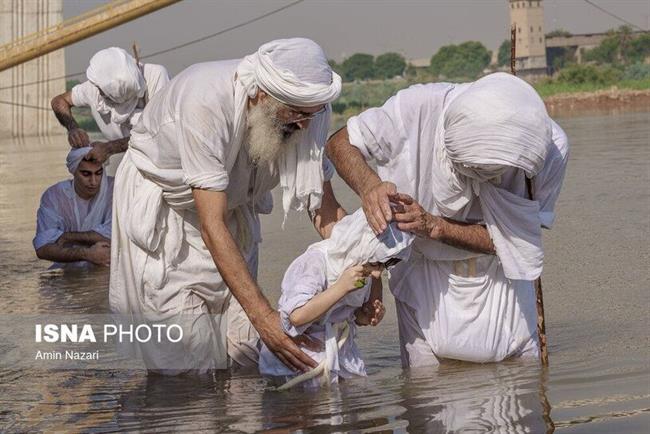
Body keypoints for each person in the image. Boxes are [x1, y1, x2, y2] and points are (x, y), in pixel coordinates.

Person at [109, 38, 348, 374]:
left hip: (232, 214)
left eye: (311, 114)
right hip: (170, 220)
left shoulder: (310, 111)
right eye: (295, 113)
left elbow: (324, 206)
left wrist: (360, 268)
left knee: (246, 353)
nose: (304, 125)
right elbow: (211, 224)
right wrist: (265, 318)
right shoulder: (206, 100)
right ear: (261, 95)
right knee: (184, 362)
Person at [326, 72, 569, 367]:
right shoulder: (417, 109)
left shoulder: (548, 148)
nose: (481, 182)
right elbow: (340, 143)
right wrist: (370, 187)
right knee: (424, 388)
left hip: (503, 275)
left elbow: (519, 240)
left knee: (522, 375)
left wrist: (435, 226)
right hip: (422, 270)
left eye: (493, 174)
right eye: (473, 170)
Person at [259, 209, 412, 389]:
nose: (378, 272)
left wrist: (366, 315)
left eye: (388, 264)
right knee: (305, 408)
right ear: (360, 247)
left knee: (356, 403)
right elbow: (296, 316)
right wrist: (340, 288)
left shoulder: (365, 268)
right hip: (301, 356)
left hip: (341, 354)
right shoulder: (316, 262)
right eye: (376, 263)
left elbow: (352, 316)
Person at [50, 47, 170, 164]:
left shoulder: (154, 77)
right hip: (128, 160)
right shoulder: (95, 88)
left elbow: (159, 134)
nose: (99, 92)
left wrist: (109, 148)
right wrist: (73, 128)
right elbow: (59, 101)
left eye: (102, 90)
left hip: (161, 161)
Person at [34, 147, 113, 268]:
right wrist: (87, 254)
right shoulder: (54, 196)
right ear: (74, 171)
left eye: (98, 173)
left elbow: (117, 237)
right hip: (69, 269)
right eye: (86, 174)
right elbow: (42, 247)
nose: (94, 181)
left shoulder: (115, 189)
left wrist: (67, 237)